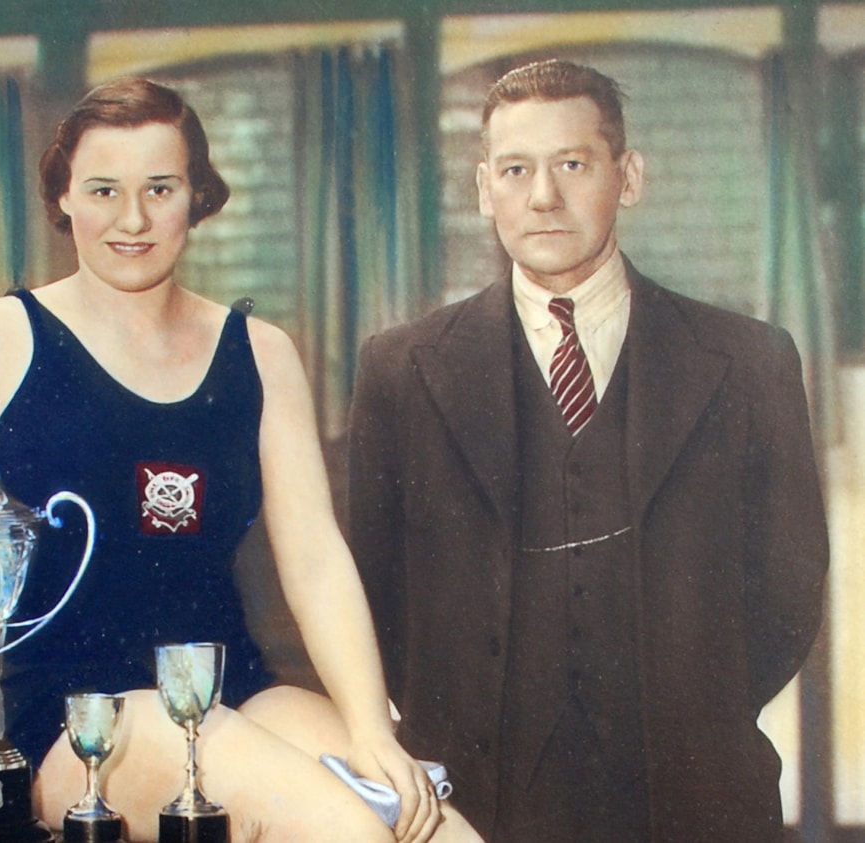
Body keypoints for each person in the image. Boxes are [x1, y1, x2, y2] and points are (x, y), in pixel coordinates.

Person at [0, 78, 443, 843]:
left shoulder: (262, 352)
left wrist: (370, 732)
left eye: (160, 187)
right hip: (78, 722)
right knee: (347, 828)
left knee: (437, 827)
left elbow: (315, 558)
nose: (133, 218)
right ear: (62, 199)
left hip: (240, 693)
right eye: (103, 189)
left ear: (198, 196)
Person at [347, 59, 828, 843]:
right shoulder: (401, 370)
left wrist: (692, 715)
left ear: (627, 175)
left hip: (696, 801)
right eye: (515, 169)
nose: (543, 196)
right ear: (482, 189)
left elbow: (788, 589)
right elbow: (371, 592)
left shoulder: (749, 360)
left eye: (572, 163)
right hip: (480, 803)